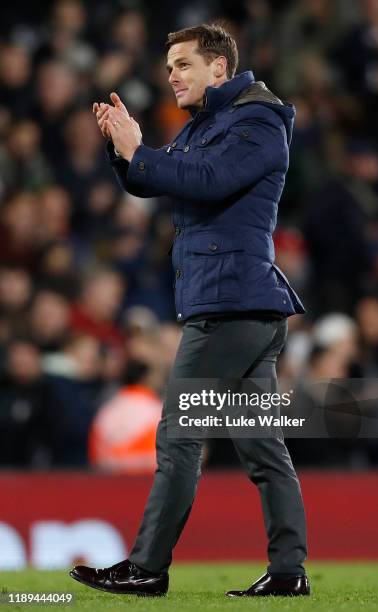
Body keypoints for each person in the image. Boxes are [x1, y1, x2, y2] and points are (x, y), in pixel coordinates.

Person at [69, 23, 310, 598]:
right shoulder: (209, 123)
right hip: (234, 305)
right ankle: (288, 571)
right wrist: (122, 147)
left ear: (219, 69)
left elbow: (206, 180)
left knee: (179, 436)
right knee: (261, 447)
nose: (171, 74)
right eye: (169, 64)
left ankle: (147, 566)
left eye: (182, 64)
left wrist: (140, 150)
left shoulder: (257, 122)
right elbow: (152, 182)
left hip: (231, 306)